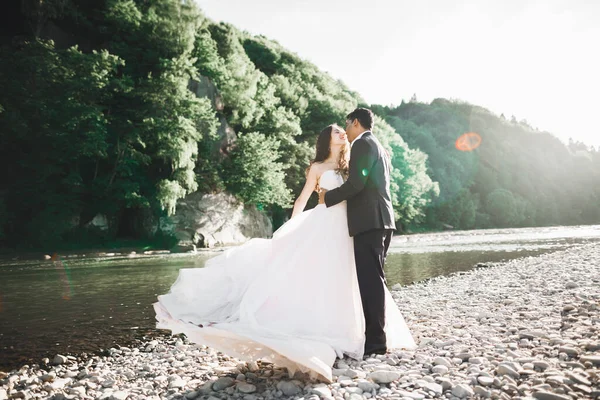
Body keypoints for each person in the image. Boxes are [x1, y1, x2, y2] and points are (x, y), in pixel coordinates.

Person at [154, 123, 415, 383]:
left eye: (342, 130)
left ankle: (358, 332)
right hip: (323, 224)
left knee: (348, 278)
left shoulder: (350, 164)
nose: (342, 133)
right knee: (313, 275)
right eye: (336, 131)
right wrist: (292, 226)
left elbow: (359, 188)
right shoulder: (317, 168)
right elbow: (302, 199)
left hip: (349, 227)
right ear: (327, 139)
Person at [319, 107, 396, 355]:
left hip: (369, 222)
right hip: (381, 220)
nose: (347, 131)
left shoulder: (363, 144)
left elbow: (357, 183)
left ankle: (376, 343)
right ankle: (376, 338)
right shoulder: (377, 145)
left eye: (347, 125)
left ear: (355, 123)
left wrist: (328, 196)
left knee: (370, 282)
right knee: (375, 280)